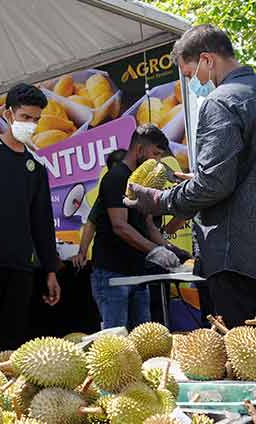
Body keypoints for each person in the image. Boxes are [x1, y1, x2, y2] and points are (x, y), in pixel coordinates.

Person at [126, 25, 256, 329]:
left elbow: (215, 184)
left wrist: (159, 199)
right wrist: (199, 177)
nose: (193, 82)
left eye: (189, 73)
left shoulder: (220, 102)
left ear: (207, 61)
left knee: (241, 360)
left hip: (235, 258)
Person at [0, 83, 63, 352]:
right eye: (25, 118)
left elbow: (42, 222)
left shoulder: (37, 166)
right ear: (8, 115)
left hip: (22, 267)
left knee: (14, 343)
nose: (30, 124)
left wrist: (50, 269)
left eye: (36, 120)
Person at [91, 124, 187, 330]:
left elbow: (148, 224)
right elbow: (120, 226)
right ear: (139, 150)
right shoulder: (115, 178)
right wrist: (154, 250)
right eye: (155, 154)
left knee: (144, 338)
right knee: (116, 341)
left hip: (138, 272)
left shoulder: (143, 181)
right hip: (112, 274)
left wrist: (170, 250)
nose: (158, 162)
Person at [71, 149, 128, 270]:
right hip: (109, 265)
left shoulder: (138, 190)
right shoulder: (108, 191)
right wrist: (82, 253)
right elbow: (91, 222)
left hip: (133, 266)